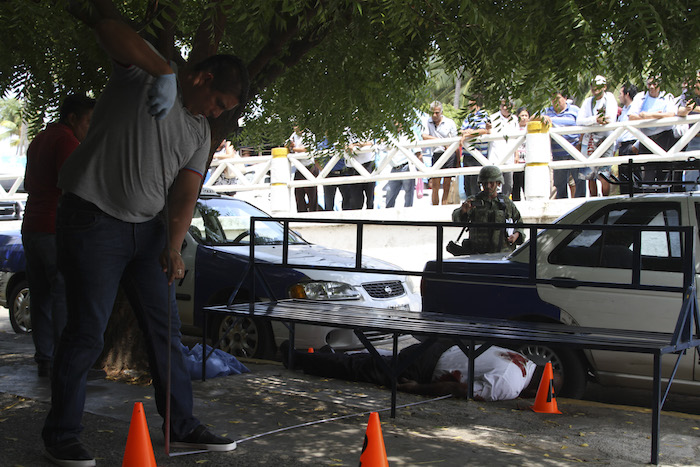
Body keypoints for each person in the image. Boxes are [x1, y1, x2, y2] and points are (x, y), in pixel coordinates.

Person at [41, 15, 248, 466]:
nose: (217, 113)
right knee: (86, 331)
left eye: (224, 109)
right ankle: (62, 434)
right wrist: (165, 72)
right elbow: (108, 27)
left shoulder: (200, 132)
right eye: (217, 101)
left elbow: (185, 193)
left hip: (148, 232)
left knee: (166, 332)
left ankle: (181, 424)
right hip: (92, 219)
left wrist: (174, 245)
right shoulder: (144, 75)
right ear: (201, 77)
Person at [21, 94, 95, 378]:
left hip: (32, 226)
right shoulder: (67, 141)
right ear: (73, 118)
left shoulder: (39, 139)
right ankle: (67, 361)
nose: (89, 129)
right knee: (64, 293)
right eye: (88, 122)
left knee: (40, 296)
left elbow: (30, 183)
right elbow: (74, 184)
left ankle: (45, 357)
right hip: (55, 227)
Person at [286, 340, 552, 402]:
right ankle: (298, 358)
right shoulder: (511, 385)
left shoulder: (520, 360)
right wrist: (418, 390)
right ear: (533, 392)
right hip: (426, 366)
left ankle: (326, 355)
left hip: (440, 347)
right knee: (364, 371)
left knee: (380, 360)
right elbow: (457, 389)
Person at [447, 166, 524, 256]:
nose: (488, 186)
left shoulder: (506, 203)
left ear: (498, 183)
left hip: (502, 254)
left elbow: (519, 222)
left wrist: (516, 235)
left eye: (491, 183)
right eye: (485, 183)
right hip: (478, 254)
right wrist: (463, 211)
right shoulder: (473, 201)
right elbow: (457, 220)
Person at [628, 75, 679, 188]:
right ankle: (649, 199)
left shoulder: (667, 96)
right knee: (647, 173)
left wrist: (648, 115)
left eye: (654, 84)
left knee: (664, 172)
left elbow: (671, 114)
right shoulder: (640, 97)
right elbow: (631, 116)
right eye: (649, 84)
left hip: (664, 137)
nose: (651, 87)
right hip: (646, 139)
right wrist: (659, 115)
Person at [576, 75, 618, 197]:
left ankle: (605, 199)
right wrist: (595, 120)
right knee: (590, 175)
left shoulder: (609, 98)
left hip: (606, 139)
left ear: (604, 87)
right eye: (593, 85)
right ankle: (593, 200)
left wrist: (594, 121)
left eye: (598, 85)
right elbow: (579, 121)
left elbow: (610, 118)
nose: (595, 88)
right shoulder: (587, 101)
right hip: (589, 140)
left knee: (604, 173)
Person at [541, 91, 584, 199]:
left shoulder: (575, 110)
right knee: (560, 184)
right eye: (553, 99)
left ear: (565, 98)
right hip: (558, 153)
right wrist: (542, 118)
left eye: (558, 99)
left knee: (580, 181)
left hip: (575, 150)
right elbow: (531, 119)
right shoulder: (547, 111)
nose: (556, 102)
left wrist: (580, 144)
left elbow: (584, 126)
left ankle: (581, 204)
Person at [422, 101, 458, 205]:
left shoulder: (449, 122)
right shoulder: (427, 122)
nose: (434, 115)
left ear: (441, 112)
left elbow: (455, 140)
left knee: (447, 184)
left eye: (437, 113)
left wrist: (457, 160)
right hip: (437, 154)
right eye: (433, 113)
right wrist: (440, 141)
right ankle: (435, 207)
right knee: (435, 184)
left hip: (449, 154)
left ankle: (444, 205)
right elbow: (424, 136)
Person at [460, 96, 491, 199]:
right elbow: (462, 130)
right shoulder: (468, 117)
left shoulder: (483, 115)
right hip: (467, 154)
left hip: (478, 154)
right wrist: (467, 132)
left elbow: (483, 130)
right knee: (467, 185)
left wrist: (469, 133)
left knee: (475, 184)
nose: (469, 107)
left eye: (471, 104)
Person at [488, 98, 519, 198]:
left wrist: (516, 154)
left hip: (509, 157)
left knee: (508, 185)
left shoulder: (515, 119)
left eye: (507, 105)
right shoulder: (493, 118)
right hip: (495, 156)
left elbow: (517, 138)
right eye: (503, 105)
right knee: (494, 184)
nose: (505, 108)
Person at [677, 71, 700, 190]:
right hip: (693, 140)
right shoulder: (688, 96)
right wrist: (687, 109)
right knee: (692, 175)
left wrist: (694, 108)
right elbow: (679, 111)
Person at [288, 126, 320, 212]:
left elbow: (307, 149)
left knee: (312, 195)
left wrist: (293, 148)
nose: (296, 128)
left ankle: (314, 214)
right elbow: (287, 145)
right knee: (298, 194)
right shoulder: (293, 136)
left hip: (309, 167)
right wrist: (289, 146)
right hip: (298, 168)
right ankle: (301, 214)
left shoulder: (309, 135)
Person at [616, 83, 641, 156]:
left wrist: (635, 146)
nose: (619, 97)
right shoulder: (623, 111)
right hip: (622, 148)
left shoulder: (637, 109)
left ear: (627, 94)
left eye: (620, 94)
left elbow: (644, 128)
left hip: (631, 145)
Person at [511, 106, 529, 201]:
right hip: (517, 160)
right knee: (516, 185)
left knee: (527, 185)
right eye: (522, 115)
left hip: (527, 160)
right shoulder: (514, 128)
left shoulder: (530, 128)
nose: (524, 117)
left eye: (526, 115)